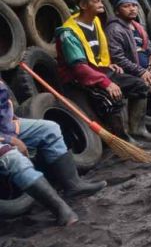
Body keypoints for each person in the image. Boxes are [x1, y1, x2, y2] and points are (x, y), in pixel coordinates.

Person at [55, 0, 151, 142]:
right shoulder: (68, 33)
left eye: (101, 1)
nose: (101, 4)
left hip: (99, 71)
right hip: (78, 78)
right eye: (96, 1)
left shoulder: (95, 21)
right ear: (83, 5)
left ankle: (138, 129)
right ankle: (122, 139)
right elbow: (79, 67)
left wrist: (108, 63)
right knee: (112, 97)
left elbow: (98, 51)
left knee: (140, 85)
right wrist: (106, 83)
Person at [0, 80, 106, 225]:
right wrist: (9, 139)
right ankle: (59, 209)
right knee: (12, 157)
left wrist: (12, 126)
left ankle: (73, 185)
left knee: (49, 129)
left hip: (6, 127)